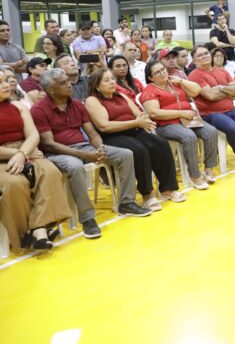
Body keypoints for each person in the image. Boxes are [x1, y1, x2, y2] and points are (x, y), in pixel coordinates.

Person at [32, 69, 150, 239]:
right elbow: (49, 144)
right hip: (58, 153)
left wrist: (100, 147)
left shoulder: (77, 105)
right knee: (75, 166)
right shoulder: (39, 110)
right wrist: (84, 154)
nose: (70, 84)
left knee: (125, 154)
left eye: (68, 80)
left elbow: (92, 133)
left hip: (84, 146)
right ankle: (88, 218)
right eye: (63, 83)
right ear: (51, 89)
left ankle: (126, 203)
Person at [85, 69, 185, 211]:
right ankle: (147, 195)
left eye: (112, 78)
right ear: (96, 86)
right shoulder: (92, 100)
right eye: (106, 80)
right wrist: (135, 123)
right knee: (139, 149)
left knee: (160, 144)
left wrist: (143, 120)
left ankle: (168, 189)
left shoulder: (120, 96)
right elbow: (104, 126)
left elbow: (139, 114)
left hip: (133, 130)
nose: (112, 82)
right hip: (112, 137)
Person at [0, 74, 71, 252]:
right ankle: (24, 234)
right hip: (5, 155)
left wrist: (23, 153)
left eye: (6, 80)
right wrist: (18, 154)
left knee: (50, 172)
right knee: (15, 184)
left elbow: (33, 135)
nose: (6, 84)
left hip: (26, 150)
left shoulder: (18, 105)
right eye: (0, 82)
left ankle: (38, 230)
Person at [141, 60, 217, 188]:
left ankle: (209, 168)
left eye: (163, 69)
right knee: (189, 137)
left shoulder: (174, 84)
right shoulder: (150, 90)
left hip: (187, 119)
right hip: (165, 125)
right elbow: (154, 113)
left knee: (211, 131)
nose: (163, 73)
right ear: (150, 77)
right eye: (158, 72)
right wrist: (180, 113)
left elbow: (196, 91)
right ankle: (194, 176)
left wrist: (181, 81)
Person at [188, 45, 235, 171]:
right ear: (194, 61)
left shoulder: (222, 71)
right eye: (200, 55)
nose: (204, 56)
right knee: (231, 126)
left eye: (206, 53)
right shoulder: (195, 76)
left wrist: (221, 88)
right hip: (210, 114)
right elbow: (211, 96)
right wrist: (228, 92)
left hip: (230, 110)